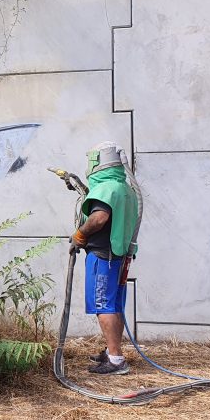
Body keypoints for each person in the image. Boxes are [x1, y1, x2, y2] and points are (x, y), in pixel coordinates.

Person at [70, 142, 140, 375]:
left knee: (104, 305)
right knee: (114, 304)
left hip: (103, 256)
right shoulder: (126, 188)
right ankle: (113, 350)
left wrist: (81, 233)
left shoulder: (106, 188)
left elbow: (99, 218)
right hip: (119, 256)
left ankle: (116, 360)